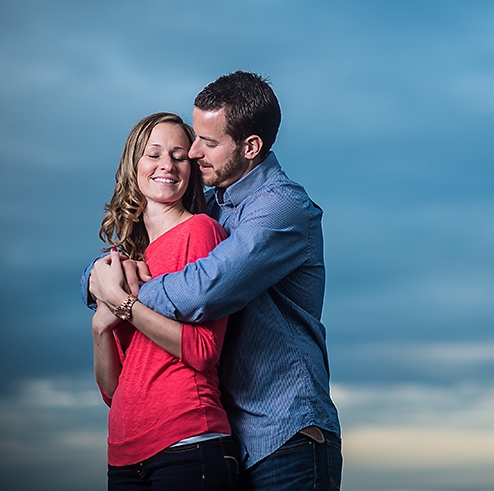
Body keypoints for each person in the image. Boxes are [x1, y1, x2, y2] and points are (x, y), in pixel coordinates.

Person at [85, 71, 342, 491]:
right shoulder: (216, 212)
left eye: (208, 142)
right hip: (232, 435)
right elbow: (114, 272)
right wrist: (97, 280)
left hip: (285, 434)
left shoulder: (281, 210)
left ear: (251, 146)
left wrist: (121, 295)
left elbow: (205, 288)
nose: (192, 150)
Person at [91, 112, 238, 490]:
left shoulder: (201, 232)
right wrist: (99, 329)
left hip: (188, 443)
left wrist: (124, 306)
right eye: (154, 154)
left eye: (178, 155)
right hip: (123, 455)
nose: (166, 166)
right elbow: (113, 391)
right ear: (134, 164)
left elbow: (204, 350)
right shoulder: (124, 261)